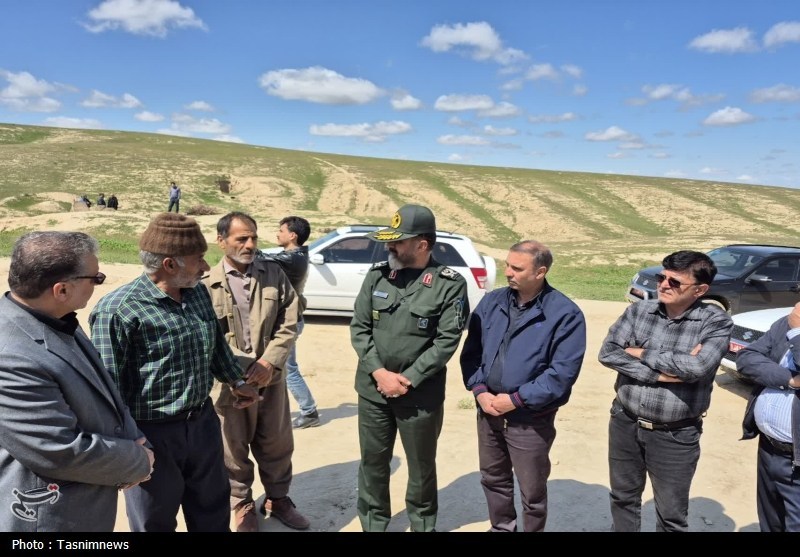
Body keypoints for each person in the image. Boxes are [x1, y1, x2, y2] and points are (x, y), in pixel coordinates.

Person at [89, 213, 260, 532]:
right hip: (151, 436)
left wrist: (236, 380)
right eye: (198, 259)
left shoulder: (197, 293)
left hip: (203, 425)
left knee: (212, 513)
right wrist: (128, 446)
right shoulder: (119, 310)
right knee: (154, 520)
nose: (206, 267)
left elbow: (215, 344)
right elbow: (107, 389)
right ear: (169, 264)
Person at [0, 231, 153, 532]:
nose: (98, 284)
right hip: (50, 520)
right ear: (62, 290)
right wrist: (136, 461)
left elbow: (101, 387)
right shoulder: (11, 356)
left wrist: (135, 441)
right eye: (96, 278)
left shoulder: (54, 316)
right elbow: (56, 449)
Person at [350, 204, 469, 532]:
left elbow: (446, 341)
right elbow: (359, 329)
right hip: (373, 391)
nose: (390, 246)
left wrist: (407, 379)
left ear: (422, 244)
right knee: (373, 463)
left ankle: (422, 525)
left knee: (421, 467)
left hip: (419, 396)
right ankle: (374, 524)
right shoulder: (377, 275)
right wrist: (379, 373)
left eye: (398, 241)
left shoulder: (449, 284)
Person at [598, 250, 733, 532]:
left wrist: (640, 352)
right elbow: (608, 353)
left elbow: (697, 367)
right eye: (662, 278)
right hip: (625, 421)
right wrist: (662, 374)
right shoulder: (639, 311)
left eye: (675, 282)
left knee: (671, 514)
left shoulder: (715, 322)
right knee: (622, 498)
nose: (663, 285)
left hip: (675, 434)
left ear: (700, 290)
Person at [460, 240, 586, 532]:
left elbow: (562, 374)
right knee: (493, 478)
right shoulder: (492, 303)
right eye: (507, 265)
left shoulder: (564, 314)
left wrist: (516, 400)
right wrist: (479, 391)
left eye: (517, 268)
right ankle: (502, 527)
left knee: (532, 490)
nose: (508, 272)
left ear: (540, 272)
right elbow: (472, 353)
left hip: (530, 418)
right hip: (488, 410)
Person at [204, 212, 310, 532]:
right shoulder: (206, 283)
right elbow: (208, 337)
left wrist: (269, 362)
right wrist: (241, 373)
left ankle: (278, 498)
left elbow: (290, 320)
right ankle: (242, 502)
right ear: (221, 241)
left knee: (276, 443)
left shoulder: (274, 273)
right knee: (232, 448)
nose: (250, 245)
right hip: (229, 384)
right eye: (241, 239)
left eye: (253, 237)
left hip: (271, 379)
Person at [737, 301, 800, 531]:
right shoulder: (787, 322)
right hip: (769, 449)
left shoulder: (795, 324)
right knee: (770, 522)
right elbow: (746, 358)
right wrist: (789, 380)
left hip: (797, 460)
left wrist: (797, 332)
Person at [264, 215, 320, 429]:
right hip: (289, 319)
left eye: (281, 230)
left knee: (288, 369)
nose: (277, 234)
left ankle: (309, 411)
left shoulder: (293, 258)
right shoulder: (295, 255)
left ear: (292, 235)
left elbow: (259, 257)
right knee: (278, 366)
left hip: (289, 322)